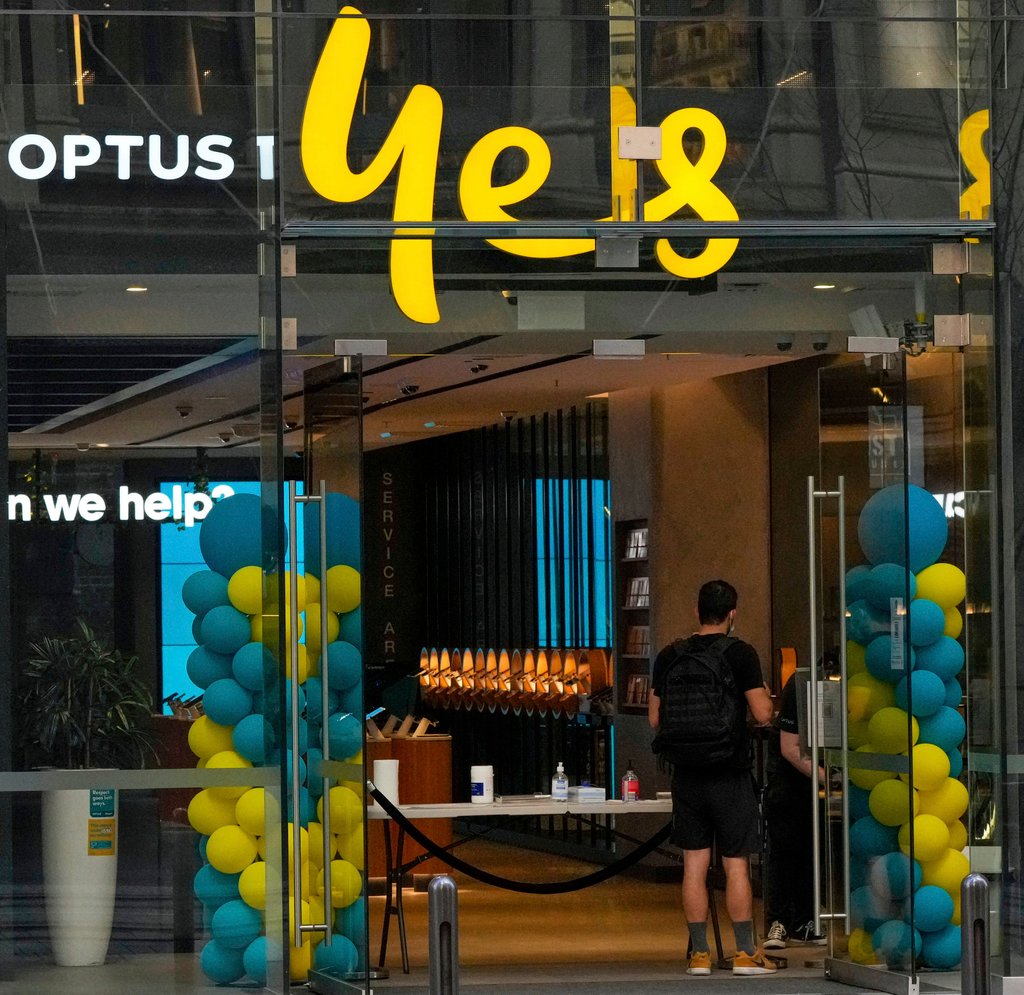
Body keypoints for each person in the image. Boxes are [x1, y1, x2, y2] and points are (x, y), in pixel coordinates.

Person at [648, 579, 776, 977]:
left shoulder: (669, 656)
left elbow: (656, 719)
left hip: (687, 776)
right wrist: (764, 701)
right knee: (736, 865)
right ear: (732, 614)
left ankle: (699, 955)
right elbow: (761, 714)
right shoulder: (741, 654)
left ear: (696, 611)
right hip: (729, 773)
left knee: (694, 866)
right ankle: (745, 954)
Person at [763, 669, 828, 949]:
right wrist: (833, 777)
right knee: (785, 849)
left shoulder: (822, 682)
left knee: (811, 850)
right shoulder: (802, 684)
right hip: (789, 782)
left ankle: (805, 920)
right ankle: (778, 921)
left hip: (812, 779)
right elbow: (790, 748)